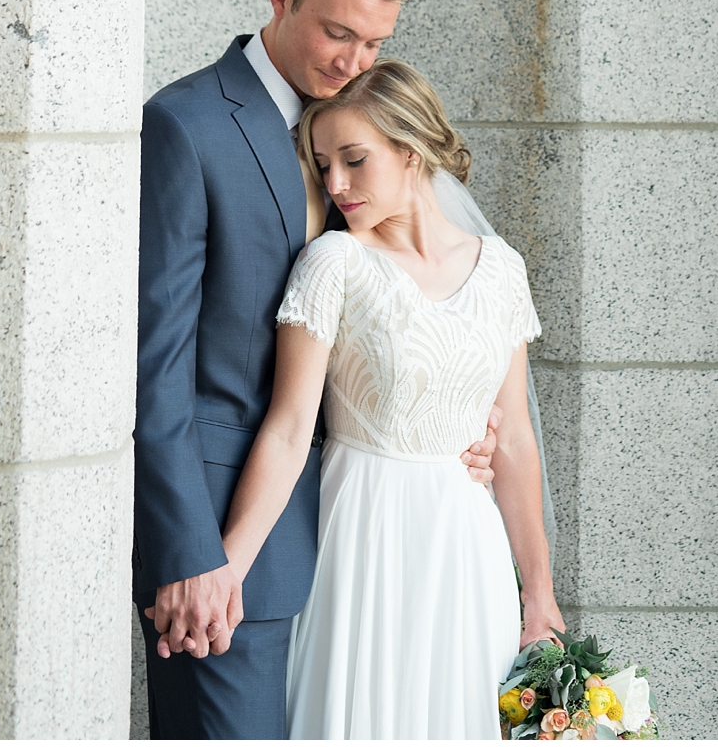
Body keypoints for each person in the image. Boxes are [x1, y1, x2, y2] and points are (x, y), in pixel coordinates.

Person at [134, 0, 500, 737]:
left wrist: (459, 431)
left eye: (375, 43)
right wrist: (188, 553)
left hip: (361, 555)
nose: (354, 61)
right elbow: (156, 363)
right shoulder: (186, 124)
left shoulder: (362, 131)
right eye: (339, 33)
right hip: (227, 548)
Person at [217, 60, 558, 738]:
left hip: (465, 548)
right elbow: (287, 431)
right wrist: (228, 568)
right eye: (323, 166)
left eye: (354, 160)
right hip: (361, 535)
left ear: (411, 150)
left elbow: (514, 437)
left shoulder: (502, 271)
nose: (336, 185)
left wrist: (539, 593)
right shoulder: (334, 265)